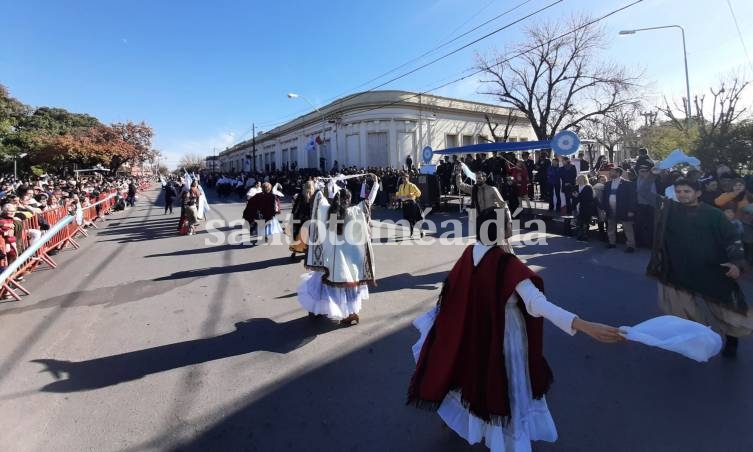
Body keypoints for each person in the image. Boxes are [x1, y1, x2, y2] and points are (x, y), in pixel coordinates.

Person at [407, 207, 624, 452]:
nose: (512, 226)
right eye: (509, 223)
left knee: (475, 380)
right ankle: (510, 443)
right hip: (504, 334)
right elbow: (537, 304)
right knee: (507, 389)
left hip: (475, 333)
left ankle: (479, 429)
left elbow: (452, 295)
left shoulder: (470, 253)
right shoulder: (505, 263)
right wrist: (584, 325)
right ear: (502, 230)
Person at [642, 176, 750, 357]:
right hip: (678, 268)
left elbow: (732, 238)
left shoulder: (713, 214)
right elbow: (644, 194)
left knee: (725, 310)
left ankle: (732, 340)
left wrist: (736, 263)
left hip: (712, 269)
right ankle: (699, 340)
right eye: (678, 191)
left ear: (698, 193)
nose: (682, 195)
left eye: (686, 191)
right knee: (681, 311)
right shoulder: (669, 209)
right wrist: (651, 174)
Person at [298, 173, 380, 325]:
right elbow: (369, 201)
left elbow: (318, 199)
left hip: (329, 258)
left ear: (335, 198)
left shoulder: (329, 212)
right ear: (349, 200)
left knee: (322, 283)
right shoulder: (354, 212)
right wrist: (375, 184)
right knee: (348, 286)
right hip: (348, 260)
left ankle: (317, 309)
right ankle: (352, 313)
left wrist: (317, 184)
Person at [601, 168, 637, 252]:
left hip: (624, 209)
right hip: (610, 209)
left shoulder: (628, 184)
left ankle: (631, 246)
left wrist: (631, 210)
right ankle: (612, 243)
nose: (610, 173)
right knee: (610, 227)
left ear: (618, 173)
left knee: (627, 228)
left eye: (612, 172)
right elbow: (605, 197)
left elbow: (632, 198)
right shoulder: (608, 184)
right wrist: (604, 208)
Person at [289, 181, 315, 259]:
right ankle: (307, 252)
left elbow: (296, 207)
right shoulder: (314, 196)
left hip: (300, 218)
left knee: (298, 236)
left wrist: (293, 217)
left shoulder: (301, 195)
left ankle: (294, 253)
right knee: (309, 236)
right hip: (310, 218)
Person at [396, 173, 424, 238]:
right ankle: (411, 232)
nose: (403, 180)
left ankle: (421, 231)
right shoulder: (401, 186)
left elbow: (419, 193)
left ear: (408, 178)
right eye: (402, 178)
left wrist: (412, 194)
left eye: (405, 178)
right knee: (407, 220)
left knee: (416, 219)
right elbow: (398, 194)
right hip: (405, 204)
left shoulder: (412, 185)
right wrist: (397, 196)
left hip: (412, 204)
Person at [571, 174, 596, 242]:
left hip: (586, 207)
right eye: (578, 179)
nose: (579, 180)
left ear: (585, 179)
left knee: (585, 222)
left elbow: (589, 198)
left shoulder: (588, 187)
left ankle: (585, 235)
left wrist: (578, 196)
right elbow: (573, 196)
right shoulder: (575, 186)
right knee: (578, 222)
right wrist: (575, 196)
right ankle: (579, 235)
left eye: (581, 179)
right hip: (576, 206)